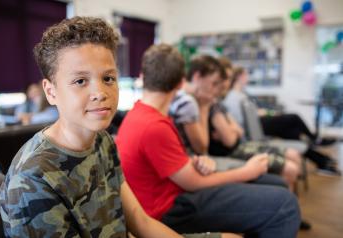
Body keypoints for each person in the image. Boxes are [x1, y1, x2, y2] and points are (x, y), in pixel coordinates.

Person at [0, 16, 224, 238]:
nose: (101, 93)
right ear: (51, 91)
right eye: (80, 81)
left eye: (108, 78)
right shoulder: (33, 179)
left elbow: (139, 219)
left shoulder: (102, 140)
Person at [116, 43, 301, 237]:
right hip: (170, 210)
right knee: (285, 206)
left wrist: (196, 162)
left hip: (171, 197)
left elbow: (179, 164)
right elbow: (192, 182)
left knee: (275, 187)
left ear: (142, 76)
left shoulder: (140, 114)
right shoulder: (153, 125)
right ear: (181, 83)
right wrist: (246, 172)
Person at [170, 55, 300, 191]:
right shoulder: (194, 102)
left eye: (227, 79)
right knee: (288, 169)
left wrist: (230, 128)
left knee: (290, 159)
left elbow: (238, 131)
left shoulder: (207, 102)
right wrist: (205, 109)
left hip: (225, 152)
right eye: (216, 82)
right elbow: (210, 145)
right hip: (223, 154)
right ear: (197, 77)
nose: (224, 84)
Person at [223, 66, 341, 176]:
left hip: (260, 122)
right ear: (239, 77)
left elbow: (254, 111)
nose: (247, 78)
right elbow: (244, 121)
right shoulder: (233, 97)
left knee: (293, 134)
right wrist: (264, 113)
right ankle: (315, 139)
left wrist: (266, 112)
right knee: (293, 118)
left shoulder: (243, 93)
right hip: (258, 126)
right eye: (245, 75)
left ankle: (322, 161)